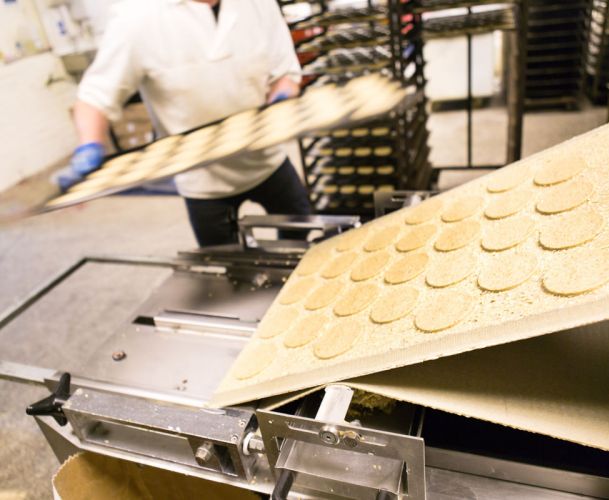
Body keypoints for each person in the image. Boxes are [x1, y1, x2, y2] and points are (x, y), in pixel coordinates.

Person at [64, 0, 312, 246]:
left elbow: (285, 73)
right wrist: (89, 145)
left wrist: (281, 98)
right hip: (202, 178)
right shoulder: (137, 16)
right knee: (226, 257)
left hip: (266, 160)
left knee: (301, 231)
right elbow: (95, 98)